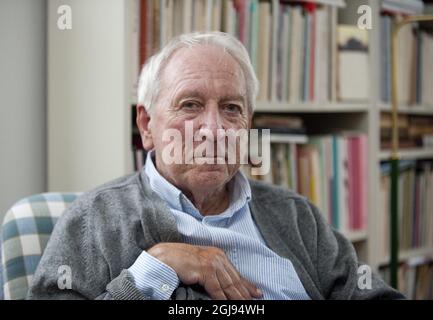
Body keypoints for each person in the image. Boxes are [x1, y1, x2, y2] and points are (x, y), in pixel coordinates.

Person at [27, 32, 403, 300]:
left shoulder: (296, 216)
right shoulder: (93, 221)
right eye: (190, 104)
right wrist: (156, 267)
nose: (214, 128)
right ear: (147, 125)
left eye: (231, 108)